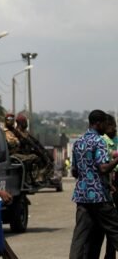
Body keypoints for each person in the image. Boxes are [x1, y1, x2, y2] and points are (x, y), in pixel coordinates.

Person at [69, 110, 118, 258]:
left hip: (82, 195)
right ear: (98, 124)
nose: (106, 126)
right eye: (104, 123)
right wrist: (116, 160)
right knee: (115, 228)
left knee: (80, 236)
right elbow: (103, 168)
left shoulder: (78, 142)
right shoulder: (99, 141)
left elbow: (75, 172)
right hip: (98, 196)